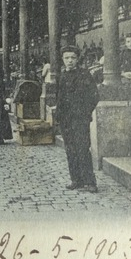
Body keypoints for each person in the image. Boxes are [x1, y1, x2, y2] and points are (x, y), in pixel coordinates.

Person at [54, 45, 100, 193]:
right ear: (62, 59)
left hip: (80, 119)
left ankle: (90, 182)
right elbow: (59, 98)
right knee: (71, 150)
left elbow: (94, 96)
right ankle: (76, 180)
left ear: (77, 59)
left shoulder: (84, 74)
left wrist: (85, 112)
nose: (70, 61)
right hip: (66, 120)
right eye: (67, 58)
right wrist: (59, 116)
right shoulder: (61, 76)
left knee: (82, 149)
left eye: (73, 58)